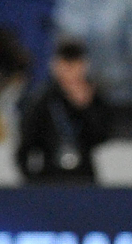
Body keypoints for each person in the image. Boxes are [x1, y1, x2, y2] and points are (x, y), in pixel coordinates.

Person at [15, 39, 110, 183]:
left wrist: (85, 109)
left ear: (84, 65)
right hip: (50, 179)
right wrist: (33, 184)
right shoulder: (42, 99)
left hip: (84, 178)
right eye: (66, 64)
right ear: (55, 66)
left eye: (75, 64)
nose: (71, 71)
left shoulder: (93, 97)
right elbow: (25, 146)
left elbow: (102, 136)